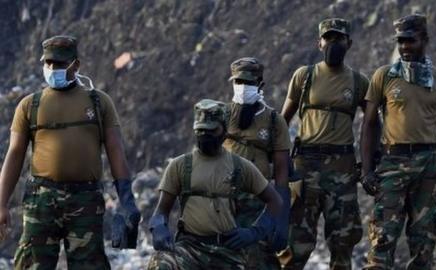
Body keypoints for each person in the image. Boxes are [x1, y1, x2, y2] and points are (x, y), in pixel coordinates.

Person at [0, 35, 140, 270]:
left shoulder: (98, 102)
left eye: (61, 64)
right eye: (49, 63)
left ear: (76, 65)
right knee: (32, 264)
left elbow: (116, 150)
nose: (53, 68)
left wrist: (126, 199)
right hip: (42, 201)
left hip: (85, 200)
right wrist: (1, 203)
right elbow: (14, 154)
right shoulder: (29, 105)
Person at [360, 14, 436, 269]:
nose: (405, 47)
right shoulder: (384, 76)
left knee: (425, 242)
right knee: (382, 239)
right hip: (392, 163)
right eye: (400, 41)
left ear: (425, 40)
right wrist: (366, 170)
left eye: (411, 40)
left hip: (428, 167)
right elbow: (369, 123)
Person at [147, 99, 283, 270]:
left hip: (228, 251)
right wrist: (158, 226)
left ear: (224, 130)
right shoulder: (180, 165)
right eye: (201, 130)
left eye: (211, 131)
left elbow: (275, 201)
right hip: (190, 248)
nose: (205, 135)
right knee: (161, 264)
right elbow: (161, 210)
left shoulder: (239, 166)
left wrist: (254, 232)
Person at [281, 18, 369, 269]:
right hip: (305, 165)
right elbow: (281, 121)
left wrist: (369, 161)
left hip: (342, 166)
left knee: (343, 241)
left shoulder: (358, 81)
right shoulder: (304, 76)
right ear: (318, 43)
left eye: (339, 38)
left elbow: (372, 122)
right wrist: (279, 162)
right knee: (295, 243)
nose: (333, 43)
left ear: (349, 43)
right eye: (328, 38)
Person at [223, 57, 291, 269]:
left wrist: (281, 219)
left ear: (260, 85)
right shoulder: (221, 115)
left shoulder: (273, 120)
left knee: (261, 260)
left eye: (249, 83)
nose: (243, 88)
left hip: (257, 202)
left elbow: (281, 171)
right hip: (223, 201)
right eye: (239, 82)